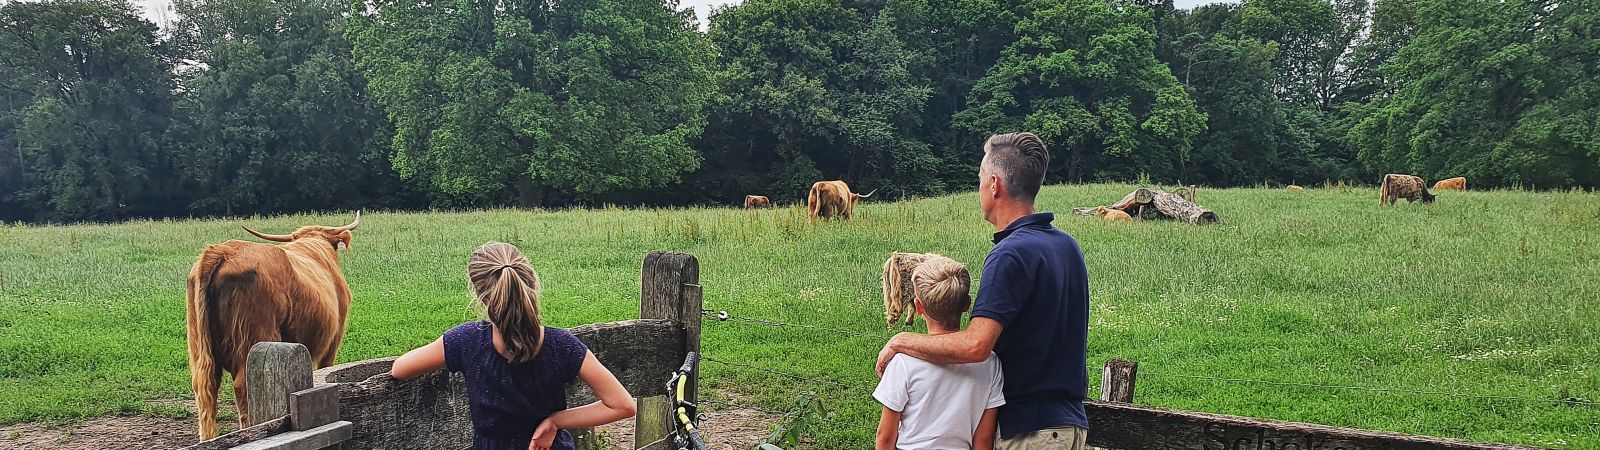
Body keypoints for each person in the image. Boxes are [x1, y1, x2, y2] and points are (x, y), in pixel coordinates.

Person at [875, 132, 1090, 449]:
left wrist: (900, 340)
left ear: (994, 185)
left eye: (979, 180)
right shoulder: (1066, 246)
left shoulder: (1010, 254)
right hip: (1069, 424)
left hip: (1028, 431)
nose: (979, 189)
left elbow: (975, 346)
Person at [391, 242, 636, 450]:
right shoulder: (561, 345)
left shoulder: (466, 340)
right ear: (532, 286)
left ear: (482, 298)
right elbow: (622, 405)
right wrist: (555, 421)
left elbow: (400, 369)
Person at [874, 255, 1004, 450]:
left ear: (918, 307)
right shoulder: (990, 362)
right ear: (967, 304)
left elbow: (885, 437)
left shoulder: (902, 361)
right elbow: (984, 439)